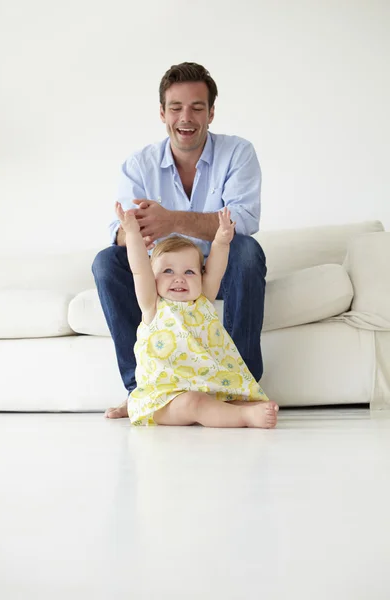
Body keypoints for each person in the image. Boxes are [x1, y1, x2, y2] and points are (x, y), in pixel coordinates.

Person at [92, 62, 267, 419]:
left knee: (248, 251)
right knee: (106, 261)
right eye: (175, 108)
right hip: (161, 271)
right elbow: (120, 231)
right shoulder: (139, 164)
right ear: (162, 113)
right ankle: (141, 390)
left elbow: (243, 221)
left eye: (197, 107)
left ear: (211, 113)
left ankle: (239, 389)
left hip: (213, 267)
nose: (185, 117)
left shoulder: (238, 153)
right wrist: (133, 229)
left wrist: (170, 220)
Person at [117, 202, 278, 428]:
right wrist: (133, 233)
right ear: (153, 278)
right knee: (193, 402)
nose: (179, 278)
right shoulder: (152, 306)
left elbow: (215, 269)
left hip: (205, 387)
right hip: (163, 399)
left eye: (189, 272)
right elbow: (139, 268)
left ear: (200, 277)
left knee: (215, 399)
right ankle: (245, 417)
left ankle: (238, 409)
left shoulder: (202, 299)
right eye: (168, 271)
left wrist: (221, 240)